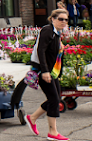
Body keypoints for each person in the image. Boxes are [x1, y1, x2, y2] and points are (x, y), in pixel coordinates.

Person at [26, 9, 70, 141]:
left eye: (66, 20)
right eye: (60, 19)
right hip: (43, 71)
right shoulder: (47, 31)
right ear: (53, 19)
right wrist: (44, 71)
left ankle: (32, 118)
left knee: (56, 98)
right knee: (54, 100)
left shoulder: (56, 33)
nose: (63, 22)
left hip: (52, 72)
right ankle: (53, 132)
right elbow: (41, 51)